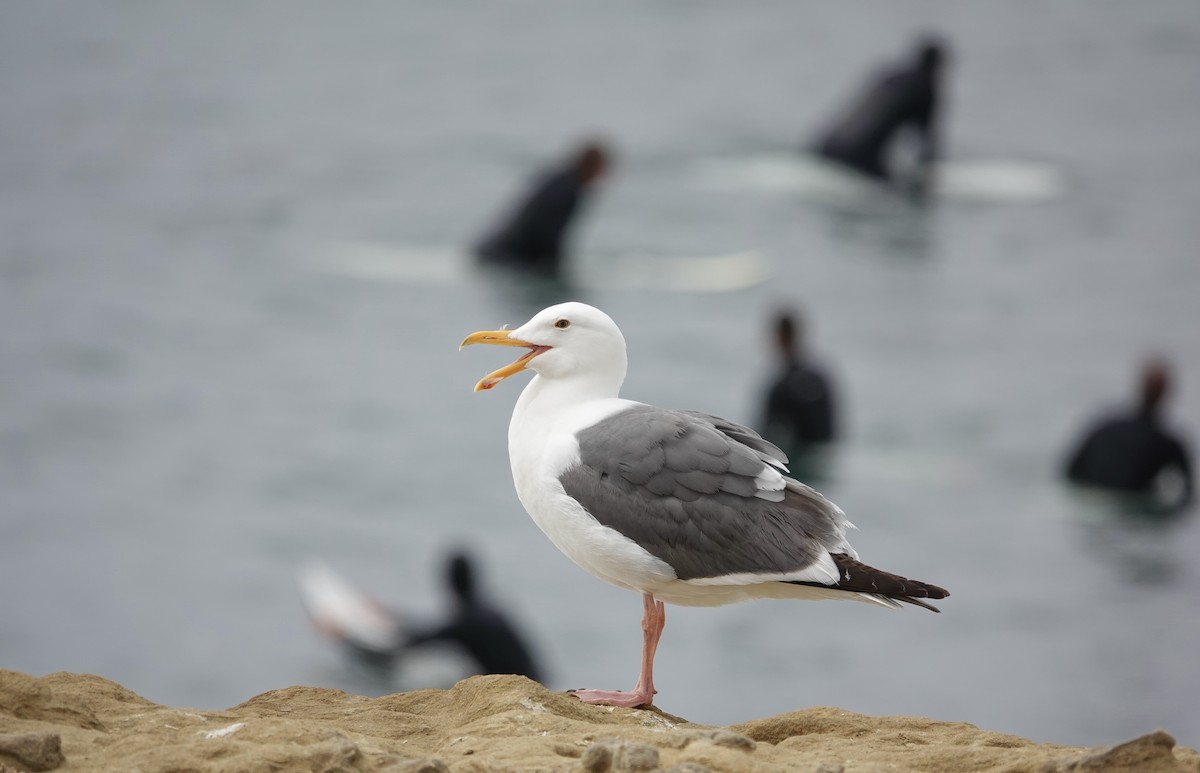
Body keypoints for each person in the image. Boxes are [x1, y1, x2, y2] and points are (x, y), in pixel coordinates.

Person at [810, 35, 949, 195]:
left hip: (828, 144)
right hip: (858, 156)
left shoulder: (890, 75)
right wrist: (929, 177)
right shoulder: (925, 89)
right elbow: (927, 140)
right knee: (896, 192)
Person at [1063, 358, 1193, 513]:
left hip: (1089, 507)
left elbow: (1070, 472)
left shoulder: (1104, 427)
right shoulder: (1170, 444)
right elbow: (1187, 495)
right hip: (1133, 514)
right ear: (1166, 393)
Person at [401, 550, 544, 682]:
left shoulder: (466, 621)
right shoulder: (491, 611)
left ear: (449, 581)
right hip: (536, 679)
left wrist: (394, 628)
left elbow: (421, 639)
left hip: (517, 688)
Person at [474, 140, 612, 275]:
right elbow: (550, 234)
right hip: (509, 257)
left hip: (493, 248)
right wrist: (557, 270)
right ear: (594, 167)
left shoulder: (555, 178)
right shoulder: (570, 192)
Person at [759, 309, 838, 455]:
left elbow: (762, 439)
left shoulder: (781, 388)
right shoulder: (820, 377)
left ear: (780, 337)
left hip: (798, 461)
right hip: (826, 457)